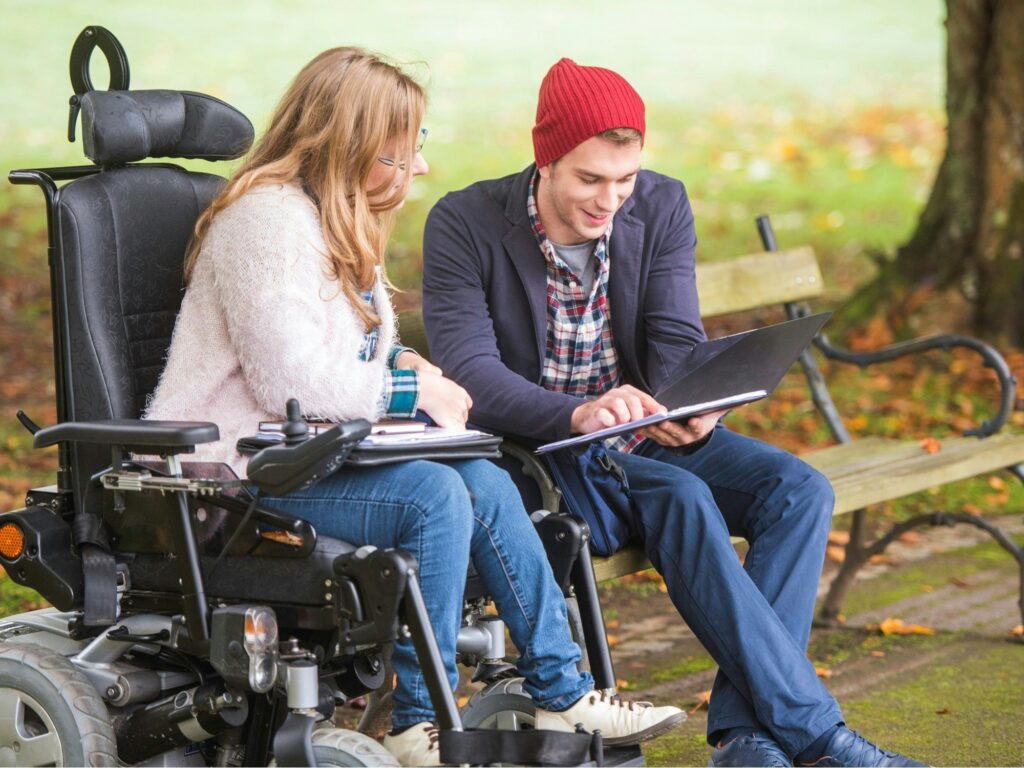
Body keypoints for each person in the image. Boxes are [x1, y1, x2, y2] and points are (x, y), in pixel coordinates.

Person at [145, 48, 685, 766]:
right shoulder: (266, 221)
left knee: (485, 479)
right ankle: (414, 722)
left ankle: (565, 691)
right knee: (432, 494)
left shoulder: (333, 218)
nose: (418, 171)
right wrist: (408, 390)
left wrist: (402, 362)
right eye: (401, 156)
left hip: (304, 454)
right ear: (350, 145)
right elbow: (289, 381)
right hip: (230, 469)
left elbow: (341, 354)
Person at [422, 57, 926, 768]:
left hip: (640, 433)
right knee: (683, 496)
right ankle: (816, 738)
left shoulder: (659, 205)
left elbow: (673, 339)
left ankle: (748, 739)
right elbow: (471, 374)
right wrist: (579, 414)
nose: (610, 200)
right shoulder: (465, 223)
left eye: (624, 180)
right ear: (545, 158)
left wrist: (693, 406)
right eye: (590, 179)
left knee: (799, 489)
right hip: (542, 453)